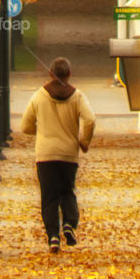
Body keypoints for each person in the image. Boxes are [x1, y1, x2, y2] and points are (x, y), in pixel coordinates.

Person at [21, 56, 95, 252]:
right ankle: (69, 224)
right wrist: (84, 142)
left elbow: (25, 126)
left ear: (50, 74)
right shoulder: (77, 96)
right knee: (67, 192)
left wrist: (44, 131)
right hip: (68, 154)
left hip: (45, 155)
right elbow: (90, 120)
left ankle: (53, 236)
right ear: (69, 75)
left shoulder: (38, 96)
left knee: (49, 197)